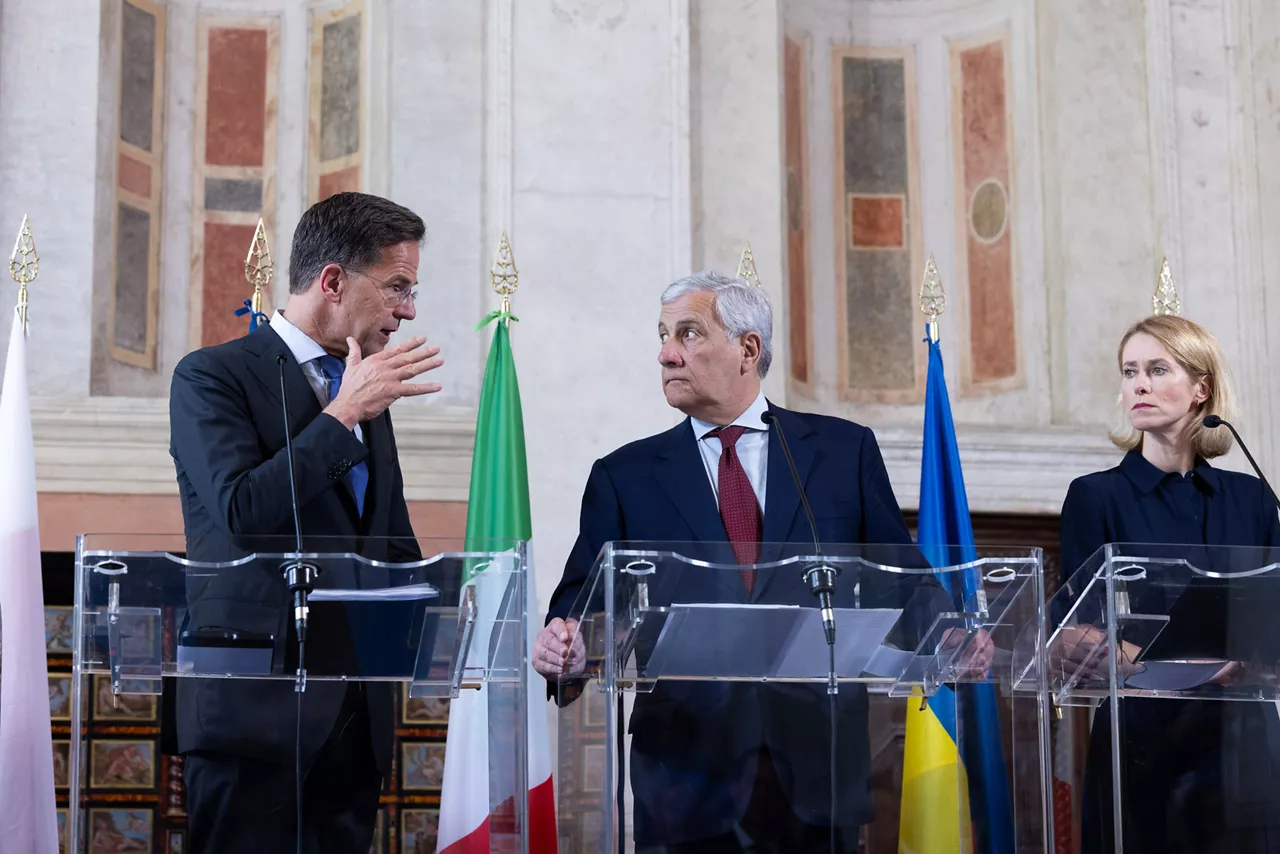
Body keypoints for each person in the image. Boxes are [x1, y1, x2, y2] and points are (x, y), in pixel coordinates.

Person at [534, 271, 990, 853]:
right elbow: (579, 603)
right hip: (684, 776)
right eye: (664, 334)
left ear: (748, 349)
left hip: (816, 766)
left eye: (689, 334)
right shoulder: (624, 477)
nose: (666, 353)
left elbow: (897, 574)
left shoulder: (839, 452)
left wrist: (947, 631)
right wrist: (565, 643)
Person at [168, 192, 444, 853]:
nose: (408, 310)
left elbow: (389, 546)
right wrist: (343, 415)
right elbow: (242, 513)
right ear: (331, 282)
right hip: (250, 720)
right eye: (397, 287)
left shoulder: (362, 389)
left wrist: (461, 608)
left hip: (353, 720)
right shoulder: (212, 378)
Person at [1058, 314, 1280, 853]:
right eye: (1130, 371)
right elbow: (1076, 629)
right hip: (1144, 736)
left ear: (1201, 389)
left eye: (1158, 369)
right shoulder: (1096, 496)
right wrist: (1189, 665)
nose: (1139, 384)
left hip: (1241, 736)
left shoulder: (1249, 497)